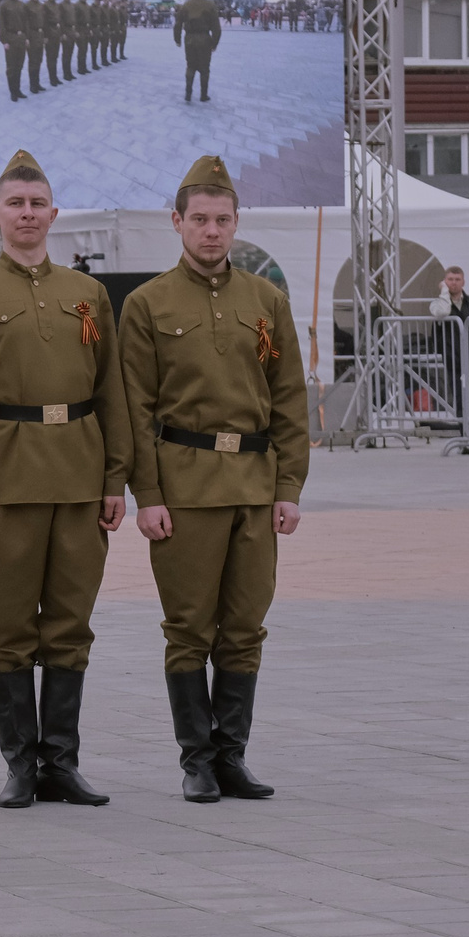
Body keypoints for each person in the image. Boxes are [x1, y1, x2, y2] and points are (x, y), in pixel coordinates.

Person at [0, 151, 128, 810]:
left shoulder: (88, 295)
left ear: (53, 212)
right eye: (15, 204)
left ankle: (62, 762)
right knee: (11, 625)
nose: (27, 214)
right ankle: (20, 763)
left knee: (71, 625)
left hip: (79, 475)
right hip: (6, 477)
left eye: (37, 203)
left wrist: (116, 478)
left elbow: (112, 390)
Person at [120, 155, 307, 803]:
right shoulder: (148, 304)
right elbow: (135, 408)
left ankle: (232, 756)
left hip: (255, 487)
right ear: (177, 222)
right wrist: (147, 495)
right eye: (199, 219)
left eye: (222, 220)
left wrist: (289, 487)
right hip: (185, 486)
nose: (211, 231)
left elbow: (289, 400)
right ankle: (196, 759)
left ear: (236, 223)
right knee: (189, 628)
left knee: (246, 624)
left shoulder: (267, 301)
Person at [426, 266, 469, 425]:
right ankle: (464, 434)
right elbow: (442, 312)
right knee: (460, 396)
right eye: (450, 280)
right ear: (444, 282)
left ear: (463, 282)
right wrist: (444, 292)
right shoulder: (438, 303)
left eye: (457, 280)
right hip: (455, 358)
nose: (454, 283)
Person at [173, 0, 222, 103]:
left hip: (189, 39)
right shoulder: (210, 5)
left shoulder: (186, 5)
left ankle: (188, 94)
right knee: (204, 68)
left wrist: (177, 39)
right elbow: (217, 28)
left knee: (190, 66)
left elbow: (178, 24)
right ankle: (203, 95)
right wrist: (214, 43)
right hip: (205, 39)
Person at [0, 0, 26, 103]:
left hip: (21, 38)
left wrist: (26, 37)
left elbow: (26, 22)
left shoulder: (21, 4)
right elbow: (1, 24)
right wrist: (4, 41)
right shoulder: (4, 4)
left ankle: (18, 90)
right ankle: (12, 92)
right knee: (11, 67)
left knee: (19, 66)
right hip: (10, 39)